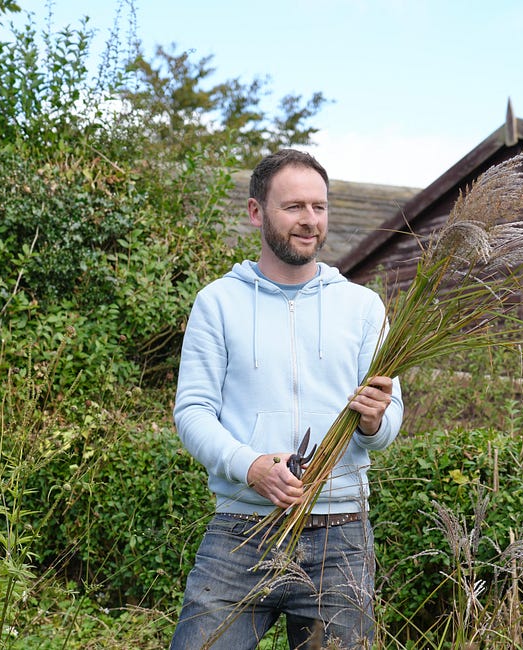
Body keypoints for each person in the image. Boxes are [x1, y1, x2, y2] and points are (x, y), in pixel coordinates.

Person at [171, 149, 403, 649]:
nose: (309, 221)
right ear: (257, 212)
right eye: (294, 206)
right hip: (241, 531)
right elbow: (192, 411)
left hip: (341, 539)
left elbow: (388, 425)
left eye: (319, 207)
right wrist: (251, 465)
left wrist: (372, 423)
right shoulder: (218, 301)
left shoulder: (363, 308)